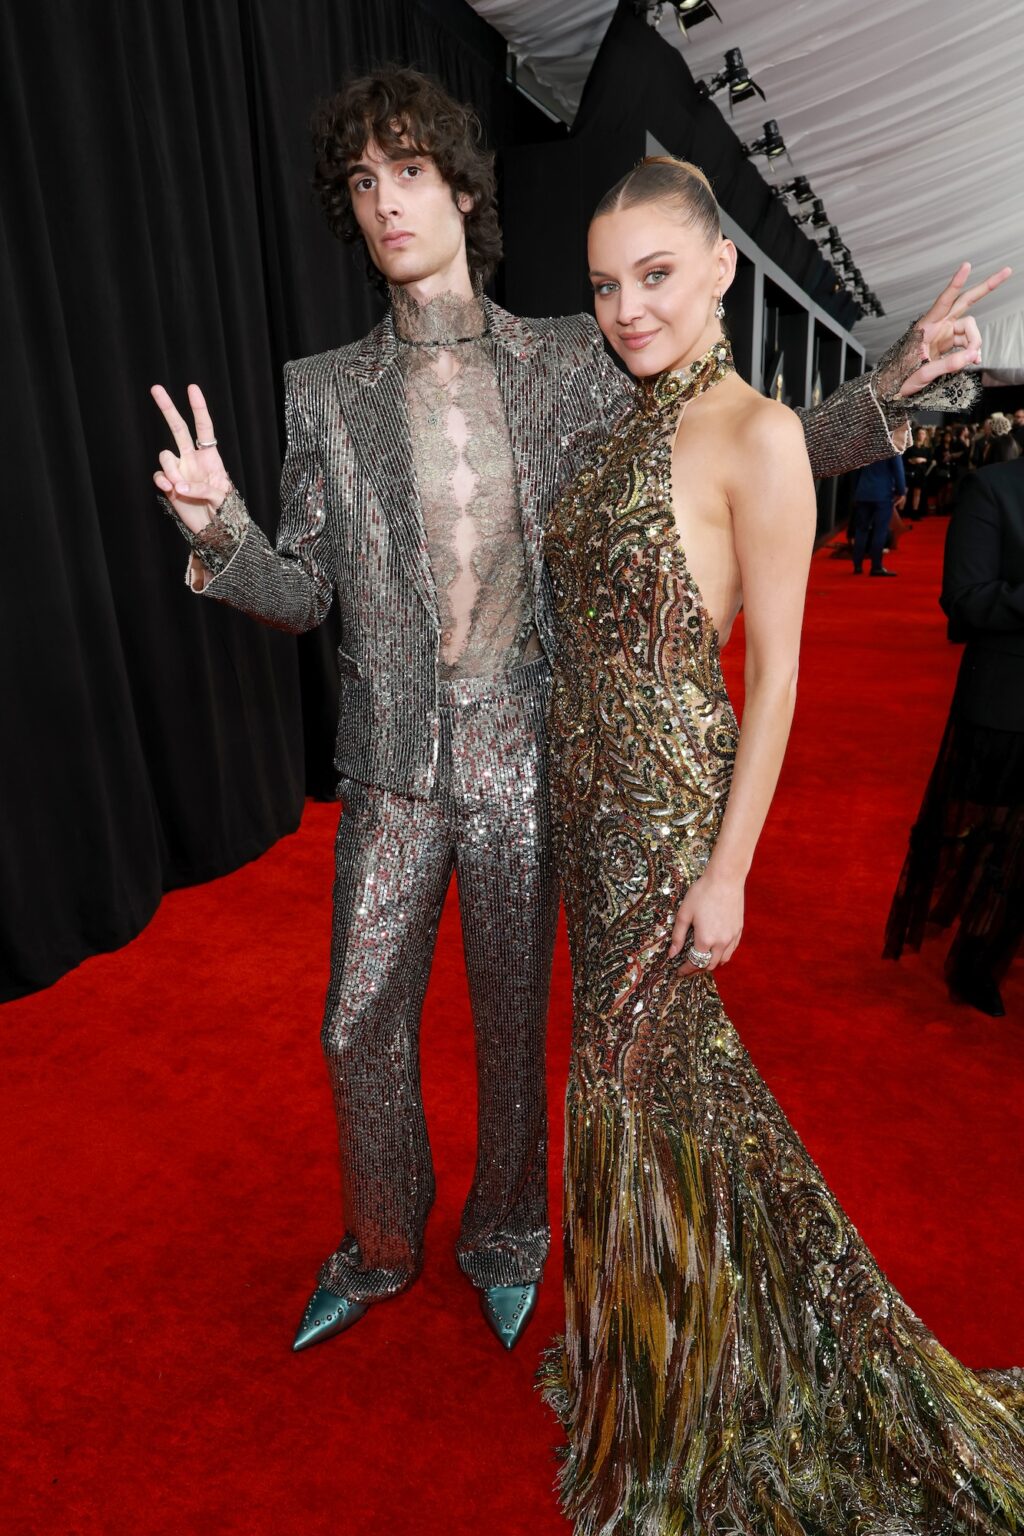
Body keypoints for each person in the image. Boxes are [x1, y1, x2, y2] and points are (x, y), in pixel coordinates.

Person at [149, 67, 1003, 1358]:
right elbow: (307, 590)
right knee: (353, 1023)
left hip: (532, 754)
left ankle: (505, 1234)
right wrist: (221, 531)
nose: (388, 203)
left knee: (509, 1017)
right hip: (386, 768)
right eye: (363, 183)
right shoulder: (321, 388)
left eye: (411, 172)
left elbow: (734, 436)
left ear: (463, 188)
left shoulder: (565, 358)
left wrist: (888, 394)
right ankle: (381, 1243)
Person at [538, 156, 1022, 1536]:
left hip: (669, 805)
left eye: (654, 276)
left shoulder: (750, 433)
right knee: (638, 1092)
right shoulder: (633, 423)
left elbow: (784, 679)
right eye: (604, 286)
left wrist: (731, 867)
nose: (627, 308)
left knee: (637, 1088)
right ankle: (646, 1353)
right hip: (591, 801)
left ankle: (686, 1386)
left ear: (721, 271)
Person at [885, 457, 1024, 1017]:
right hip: (1008, 705)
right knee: (996, 842)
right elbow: (965, 598)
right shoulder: (993, 489)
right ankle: (975, 957)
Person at [849, 450, 907, 574]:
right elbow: (898, 470)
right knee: (880, 531)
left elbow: (855, 471)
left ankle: (857, 566)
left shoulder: (864, 446)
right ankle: (876, 566)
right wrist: (901, 491)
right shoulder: (891, 447)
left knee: (861, 530)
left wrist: (855, 493)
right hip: (883, 494)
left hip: (863, 493)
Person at [904, 423, 933, 516]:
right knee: (905, 491)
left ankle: (915, 511)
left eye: (923, 434)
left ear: (926, 436)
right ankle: (901, 512)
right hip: (910, 472)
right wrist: (912, 460)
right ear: (917, 435)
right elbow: (905, 459)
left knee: (917, 492)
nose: (921, 435)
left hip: (921, 473)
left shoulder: (927, 449)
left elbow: (930, 460)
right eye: (920, 433)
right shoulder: (910, 448)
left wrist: (923, 459)